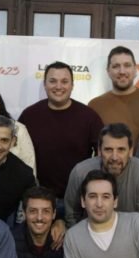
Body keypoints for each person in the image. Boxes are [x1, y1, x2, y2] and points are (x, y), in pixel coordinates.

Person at [19, 61, 102, 207]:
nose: (58, 87)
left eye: (64, 81)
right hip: (38, 199)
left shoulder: (89, 117)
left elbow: (103, 154)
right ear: (45, 84)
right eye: (52, 81)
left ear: (72, 85)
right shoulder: (29, 115)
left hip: (78, 199)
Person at [64, 122, 139, 227]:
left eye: (121, 150)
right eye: (108, 150)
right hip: (88, 235)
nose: (114, 157)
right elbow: (71, 216)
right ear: (99, 151)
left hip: (130, 238)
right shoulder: (80, 172)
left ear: (131, 151)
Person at [88, 46, 139, 143]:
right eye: (116, 66)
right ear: (108, 71)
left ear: (135, 69)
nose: (122, 71)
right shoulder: (95, 105)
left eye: (127, 65)